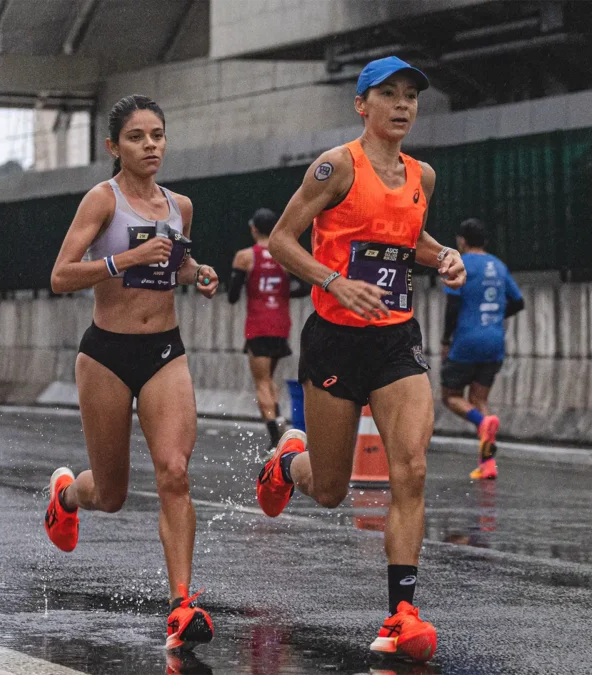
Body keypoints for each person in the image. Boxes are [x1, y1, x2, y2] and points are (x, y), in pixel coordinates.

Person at [257, 56, 466, 663]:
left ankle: (402, 612)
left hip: (397, 339)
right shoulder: (335, 167)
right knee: (329, 489)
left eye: (411, 97)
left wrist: (445, 255)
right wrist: (334, 280)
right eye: (389, 95)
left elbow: (411, 240)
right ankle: (286, 461)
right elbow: (282, 240)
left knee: (413, 468)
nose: (402, 106)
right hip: (335, 338)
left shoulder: (422, 175)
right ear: (362, 105)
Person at [44, 94, 220, 653]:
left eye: (158, 135)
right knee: (113, 492)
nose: (151, 146)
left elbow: (177, 264)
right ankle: (68, 497)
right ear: (114, 146)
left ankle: (182, 603)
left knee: (174, 472)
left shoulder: (179, 205)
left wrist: (198, 273)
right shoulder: (103, 200)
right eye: (138, 137)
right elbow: (60, 276)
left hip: (166, 351)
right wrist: (123, 261)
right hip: (106, 355)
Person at [440, 218, 524, 480]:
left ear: (462, 241)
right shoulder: (498, 265)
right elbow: (518, 302)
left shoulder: (462, 264)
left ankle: (481, 423)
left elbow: (452, 307)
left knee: (450, 395)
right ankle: (487, 464)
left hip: (466, 341)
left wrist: (445, 340)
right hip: (494, 342)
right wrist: (497, 316)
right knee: (480, 399)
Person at [228, 208, 310, 448]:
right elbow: (305, 287)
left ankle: (275, 437)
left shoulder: (245, 256)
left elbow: (233, 295)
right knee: (269, 378)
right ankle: (280, 424)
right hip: (281, 323)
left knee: (262, 382)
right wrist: (283, 293)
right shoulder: (282, 254)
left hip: (258, 324)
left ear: (254, 229)